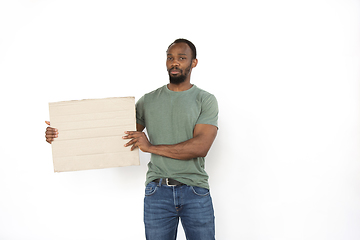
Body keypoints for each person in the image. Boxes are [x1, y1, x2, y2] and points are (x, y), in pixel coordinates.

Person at [45, 38, 218, 240]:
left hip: (195, 190)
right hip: (157, 192)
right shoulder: (149, 100)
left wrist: (150, 147)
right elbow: (115, 134)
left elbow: (201, 146)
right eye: (170, 58)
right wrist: (63, 134)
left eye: (181, 58)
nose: (174, 63)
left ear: (193, 62)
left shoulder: (204, 99)